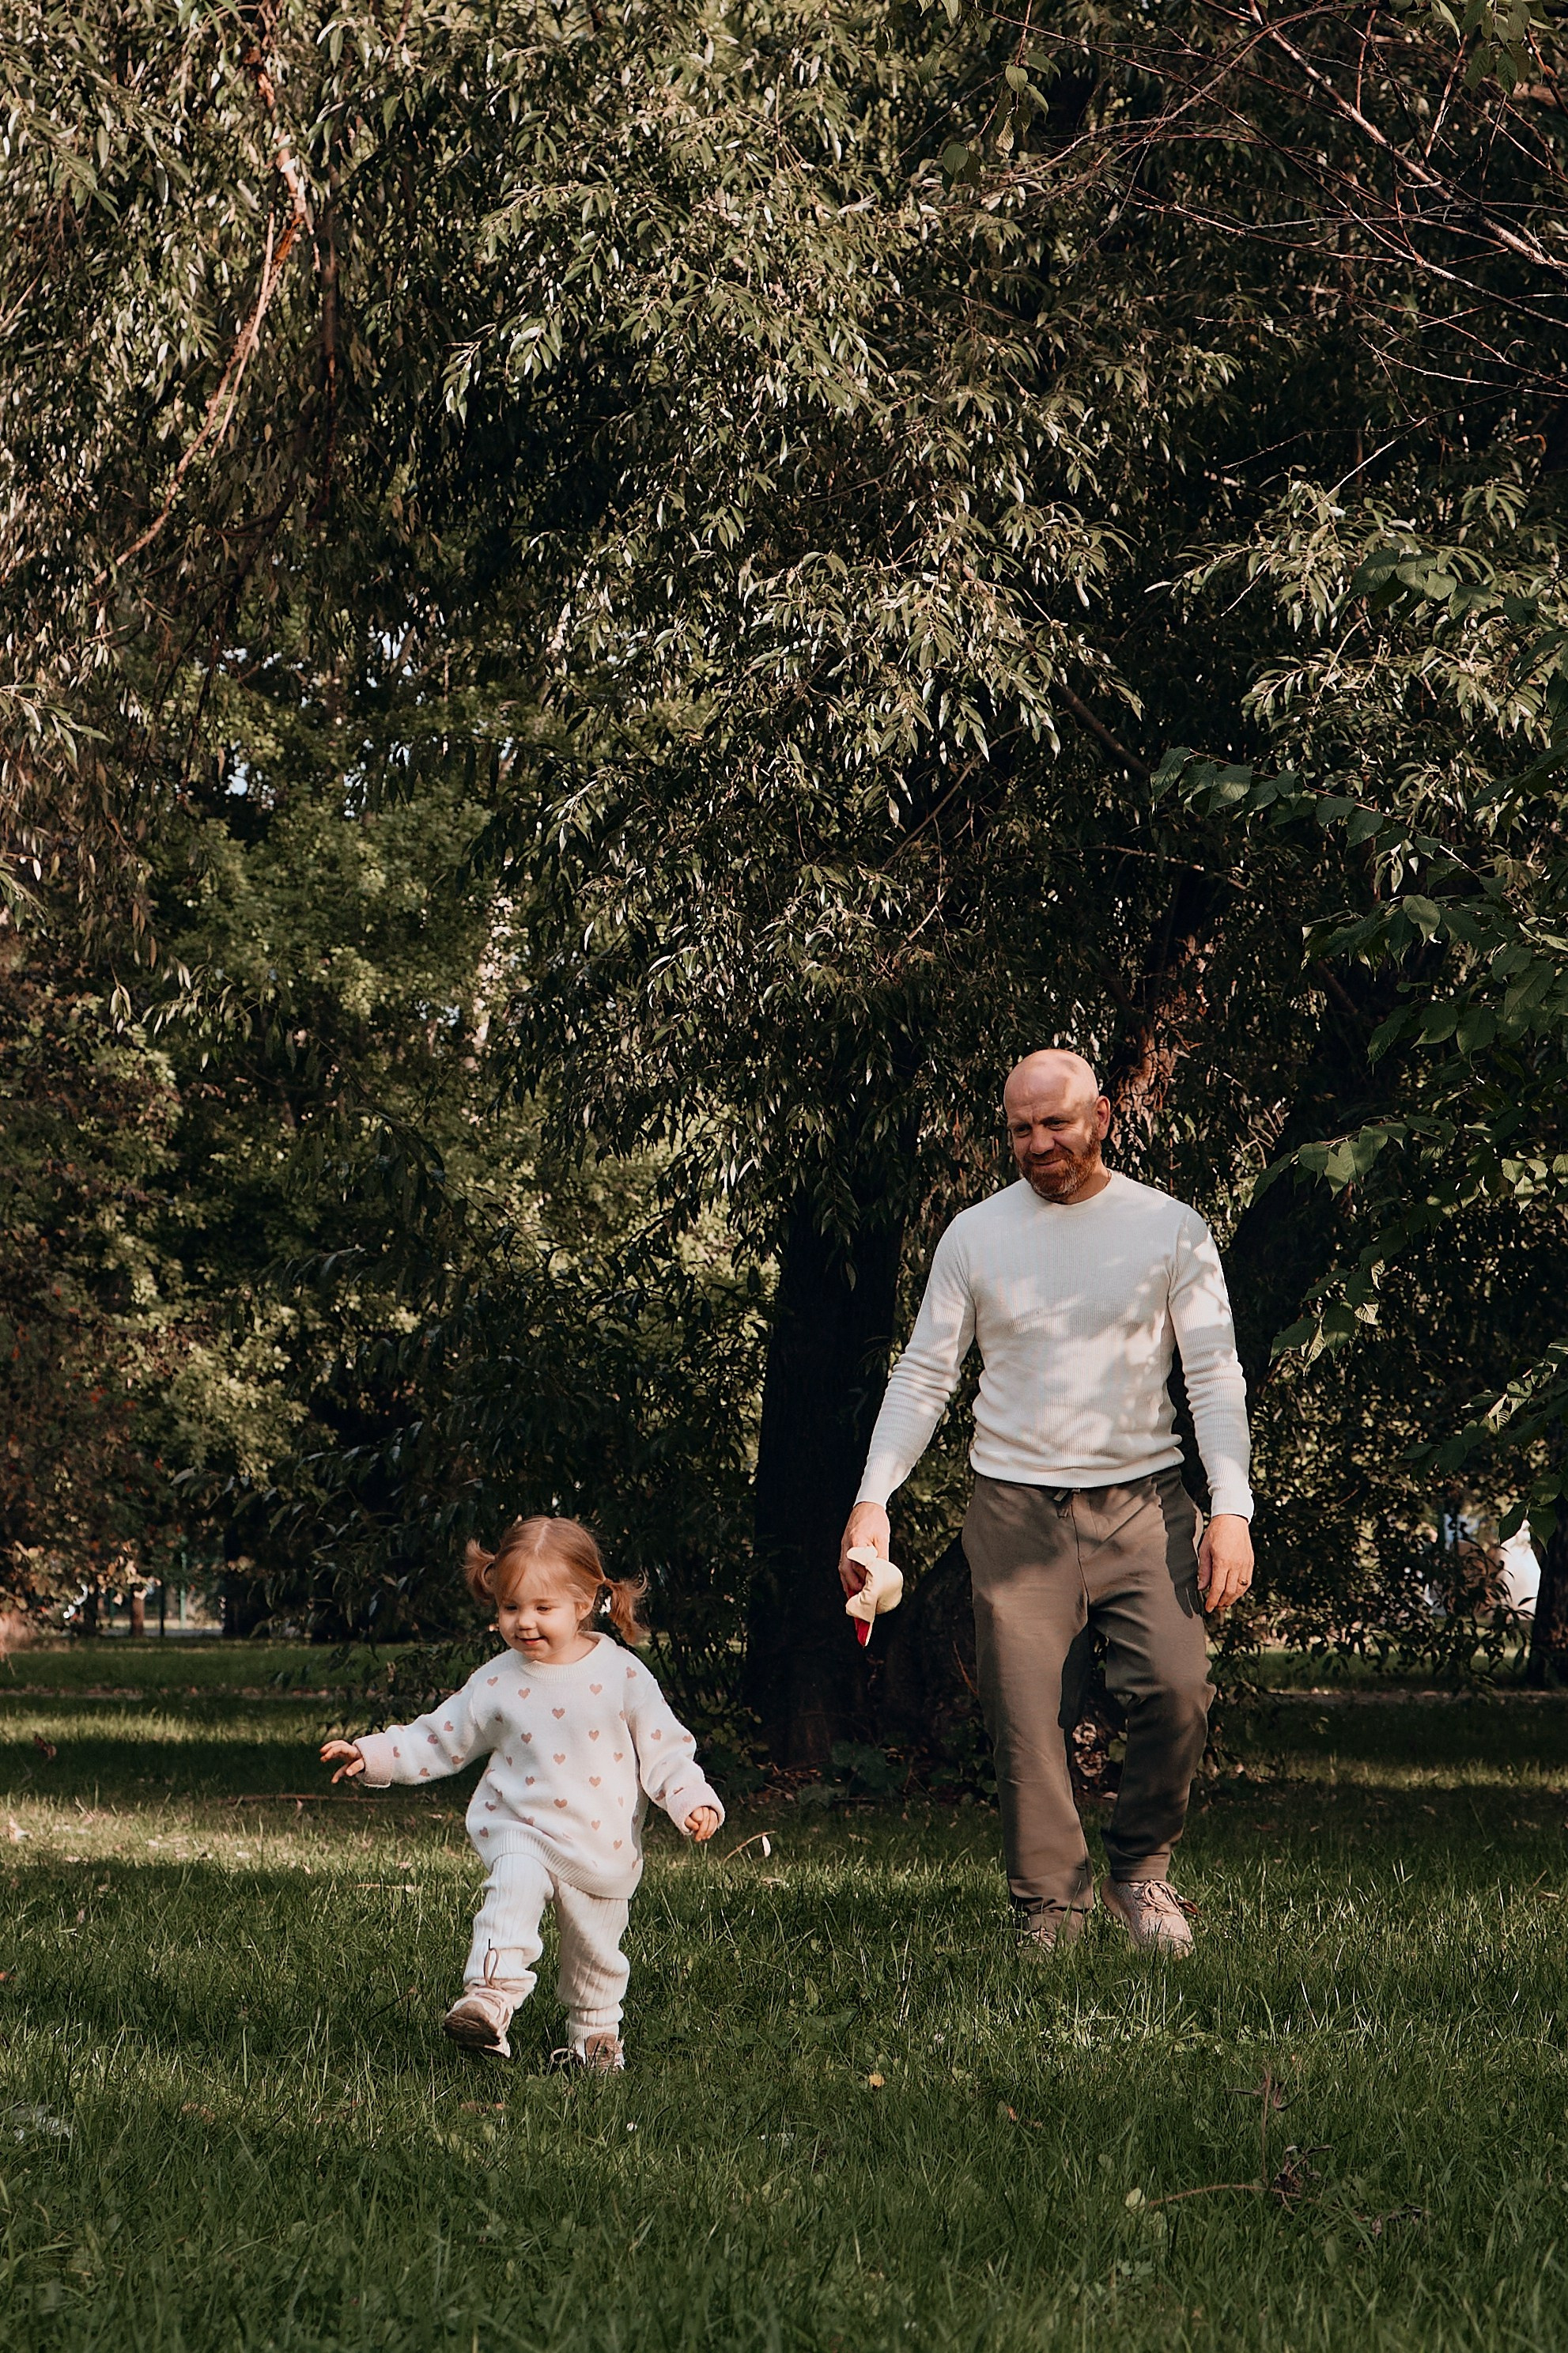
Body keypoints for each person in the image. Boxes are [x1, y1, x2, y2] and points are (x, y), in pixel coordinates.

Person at [838, 1050, 1254, 1955]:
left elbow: (1214, 1374)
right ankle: (1049, 1909)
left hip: (1147, 1500)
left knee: (1178, 1690)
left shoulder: (1170, 1228)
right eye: (1021, 1128)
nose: (1038, 1143)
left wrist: (1232, 1508)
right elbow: (923, 1376)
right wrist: (874, 1498)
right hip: (1015, 1506)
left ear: (1101, 1114)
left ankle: (1141, 1873)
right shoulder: (976, 1235)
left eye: (1056, 1122)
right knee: (1027, 1718)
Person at [321, 1515, 724, 2068]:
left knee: (595, 1955)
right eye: (510, 1607)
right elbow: (441, 1735)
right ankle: (488, 1999)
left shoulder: (621, 1673)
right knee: (508, 1895)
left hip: (599, 1844)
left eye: (542, 1608)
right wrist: (374, 1754)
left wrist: (688, 1798)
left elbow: (665, 1747)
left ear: (584, 1602)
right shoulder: (498, 1680)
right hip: (520, 1827)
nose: (524, 1622)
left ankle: (595, 2039)